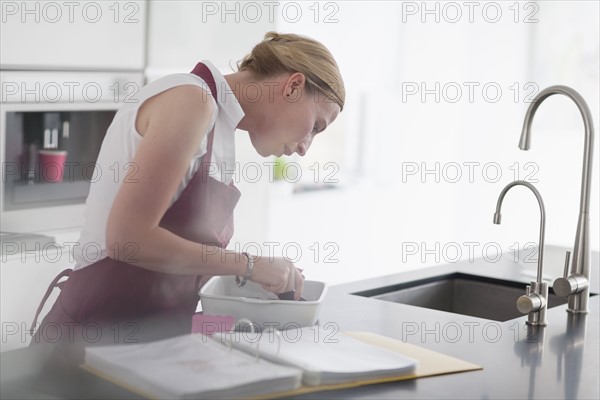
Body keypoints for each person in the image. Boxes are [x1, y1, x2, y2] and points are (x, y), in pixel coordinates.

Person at [30, 32, 345, 346]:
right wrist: (248, 265)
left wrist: (254, 283)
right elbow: (127, 239)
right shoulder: (191, 100)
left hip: (143, 346)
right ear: (292, 86)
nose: (306, 148)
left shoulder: (217, 129)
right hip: (87, 343)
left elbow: (178, 265)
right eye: (316, 126)